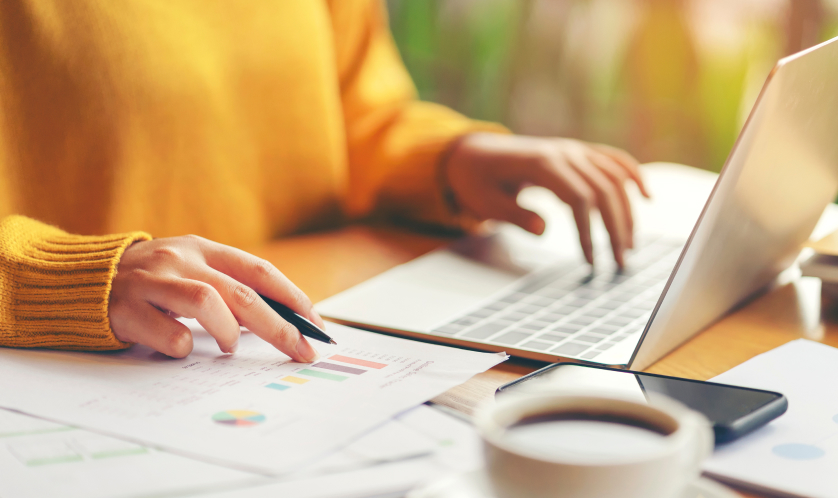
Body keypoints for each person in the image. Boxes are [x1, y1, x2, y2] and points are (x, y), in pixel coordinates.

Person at [0, 1, 646, 363]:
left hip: (292, 339)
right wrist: (76, 276)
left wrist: (451, 158)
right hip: (95, 380)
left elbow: (356, 114)